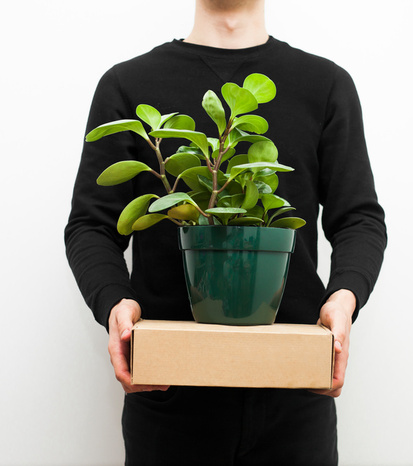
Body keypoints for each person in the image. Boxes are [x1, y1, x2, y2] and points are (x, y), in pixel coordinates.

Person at [64, 1, 387, 464]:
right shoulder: (127, 85)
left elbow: (359, 218)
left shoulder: (325, 85)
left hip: (294, 393)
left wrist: (344, 297)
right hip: (169, 394)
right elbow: (91, 225)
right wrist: (114, 300)